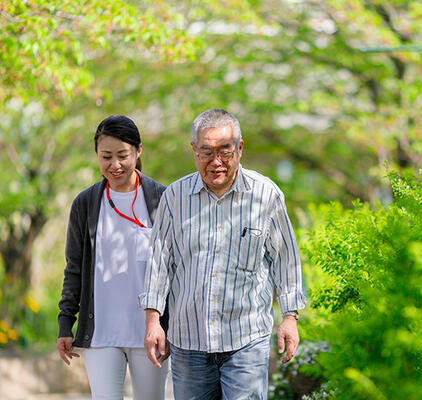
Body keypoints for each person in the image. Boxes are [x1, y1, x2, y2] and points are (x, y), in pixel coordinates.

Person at [139, 108, 306, 400]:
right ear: (194, 151)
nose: (216, 162)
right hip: (189, 343)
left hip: (246, 340)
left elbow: (286, 261)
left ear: (240, 149)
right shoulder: (175, 198)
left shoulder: (266, 196)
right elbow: (158, 264)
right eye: (206, 152)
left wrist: (290, 318)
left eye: (224, 151)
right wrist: (153, 321)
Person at [57, 115, 169, 400]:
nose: (114, 164)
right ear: (96, 154)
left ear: (138, 151)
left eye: (123, 155)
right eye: (106, 156)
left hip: (150, 333)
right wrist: (65, 322)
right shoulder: (86, 203)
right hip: (101, 333)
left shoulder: (162, 199)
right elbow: (74, 268)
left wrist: (172, 326)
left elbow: (174, 268)